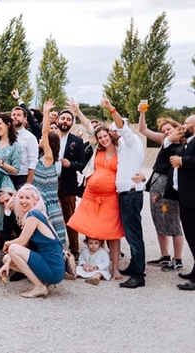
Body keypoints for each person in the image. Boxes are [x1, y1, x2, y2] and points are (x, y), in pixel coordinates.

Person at [67, 125, 123, 279]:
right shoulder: (97, 150)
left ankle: (115, 268)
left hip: (110, 197)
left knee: (112, 232)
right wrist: (78, 113)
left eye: (105, 136)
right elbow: (89, 129)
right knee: (92, 229)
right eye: (100, 138)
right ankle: (93, 263)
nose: (103, 139)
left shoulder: (121, 151)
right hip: (92, 196)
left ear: (110, 136)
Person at [102, 96, 146, 289]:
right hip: (128, 193)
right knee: (131, 233)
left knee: (134, 235)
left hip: (130, 194)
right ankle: (135, 266)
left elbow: (120, 125)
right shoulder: (127, 146)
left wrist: (111, 108)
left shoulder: (129, 140)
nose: (111, 134)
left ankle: (138, 275)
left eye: (113, 131)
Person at [137, 103, 183, 271]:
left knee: (173, 222)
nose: (165, 132)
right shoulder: (164, 140)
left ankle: (178, 259)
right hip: (156, 182)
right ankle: (165, 256)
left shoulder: (184, 145)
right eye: (163, 130)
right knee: (158, 220)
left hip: (169, 186)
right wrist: (142, 113)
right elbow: (143, 129)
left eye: (168, 129)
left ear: (177, 128)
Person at [0, 185, 65, 298]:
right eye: (21, 197)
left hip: (53, 269)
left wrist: (7, 243)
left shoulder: (33, 215)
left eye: (27, 198)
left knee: (13, 248)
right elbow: (26, 244)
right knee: (6, 259)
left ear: (35, 200)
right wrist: (9, 261)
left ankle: (39, 287)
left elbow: (21, 242)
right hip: (50, 264)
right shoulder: (36, 213)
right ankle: (42, 281)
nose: (23, 201)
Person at [32, 99, 67, 247]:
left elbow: (45, 132)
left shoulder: (48, 158)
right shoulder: (43, 158)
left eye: (43, 139)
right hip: (42, 202)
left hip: (47, 206)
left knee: (52, 238)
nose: (40, 139)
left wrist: (46, 113)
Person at [167, 115, 195, 290]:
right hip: (186, 197)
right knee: (191, 236)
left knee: (194, 236)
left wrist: (182, 161)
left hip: (193, 199)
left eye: (186, 123)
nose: (183, 126)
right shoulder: (188, 142)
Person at [55, 106, 87, 257]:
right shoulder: (50, 137)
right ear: (57, 120)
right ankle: (54, 247)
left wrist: (71, 164)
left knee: (70, 216)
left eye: (68, 119)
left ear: (72, 123)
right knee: (50, 216)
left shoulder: (77, 141)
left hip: (68, 183)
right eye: (63, 118)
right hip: (50, 182)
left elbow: (82, 164)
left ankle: (74, 249)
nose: (65, 121)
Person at [9, 104, 39, 188]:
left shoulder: (30, 137)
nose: (15, 117)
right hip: (6, 175)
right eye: (13, 115)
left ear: (25, 119)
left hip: (22, 176)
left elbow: (33, 162)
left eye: (19, 115)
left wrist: (28, 184)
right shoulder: (5, 135)